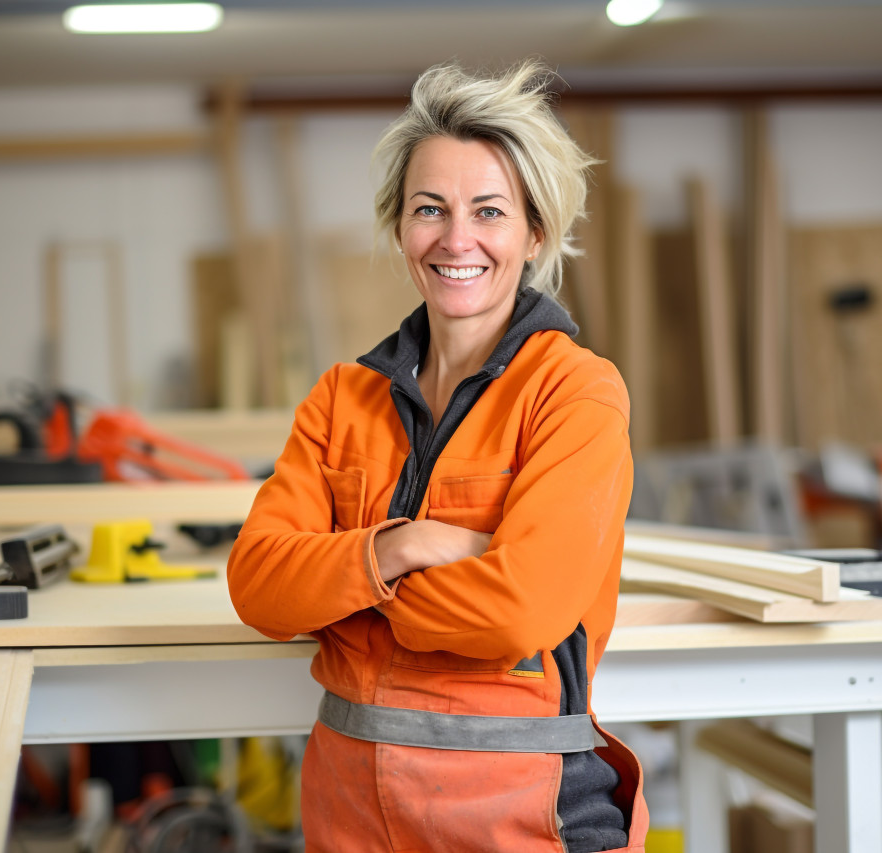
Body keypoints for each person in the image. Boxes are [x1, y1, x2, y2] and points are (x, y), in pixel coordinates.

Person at [227, 58, 647, 853]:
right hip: (347, 806)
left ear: (535, 232)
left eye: (489, 211)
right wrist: (404, 545)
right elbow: (257, 584)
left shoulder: (575, 392)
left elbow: (523, 609)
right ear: (399, 227)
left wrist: (350, 591)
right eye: (431, 209)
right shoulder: (340, 397)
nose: (458, 240)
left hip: (517, 810)